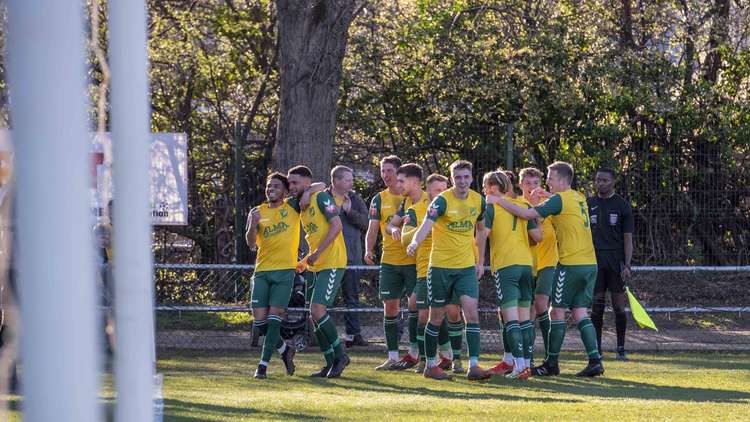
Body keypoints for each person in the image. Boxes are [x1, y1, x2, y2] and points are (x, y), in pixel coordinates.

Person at [487, 161, 603, 377]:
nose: (547, 183)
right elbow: (562, 206)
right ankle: (595, 360)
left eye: (549, 178)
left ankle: (551, 363)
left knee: (555, 311)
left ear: (560, 180)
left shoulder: (559, 199)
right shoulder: (578, 197)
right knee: (579, 312)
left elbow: (529, 215)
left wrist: (499, 201)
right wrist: (547, 197)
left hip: (570, 263)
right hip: (590, 263)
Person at [406, 160, 491, 381]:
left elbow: (481, 231)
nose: (462, 181)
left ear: (471, 177)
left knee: (471, 314)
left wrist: (480, 261)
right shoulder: (442, 201)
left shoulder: (479, 201)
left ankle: (473, 366)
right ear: (452, 179)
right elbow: (426, 224)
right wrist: (415, 243)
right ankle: (431, 365)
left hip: (465, 267)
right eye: (457, 177)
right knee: (436, 316)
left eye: (465, 177)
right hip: (440, 267)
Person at [287, 165, 350, 378]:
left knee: (318, 309)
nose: (291, 186)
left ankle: (341, 355)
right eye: (289, 183)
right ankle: (330, 362)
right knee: (314, 316)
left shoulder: (321, 198)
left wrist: (316, 252)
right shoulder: (298, 203)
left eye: (295, 182)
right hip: (314, 264)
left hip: (331, 261)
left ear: (306, 183)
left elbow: (337, 226)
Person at [478, 171, 542, 380]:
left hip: (506, 265)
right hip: (526, 265)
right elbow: (537, 236)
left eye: (486, 187)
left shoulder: (492, 207)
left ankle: (519, 366)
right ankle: (525, 365)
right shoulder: (523, 206)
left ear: (493, 188)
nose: (484, 191)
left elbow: (483, 235)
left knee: (510, 318)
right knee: (525, 320)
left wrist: (479, 261)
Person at [400, 173, 459, 374]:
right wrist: (422, 230)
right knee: (424, 313)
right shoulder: (416, 210)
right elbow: (404, 239)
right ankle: (428, 359)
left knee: (450, 313)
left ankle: (450, 356)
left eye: (444, 189)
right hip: (426, 269)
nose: (441, 194)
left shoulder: (454, 208)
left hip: (452, 268)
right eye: (437, 190)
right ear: (429, 191)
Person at [365, 155, 418, 371]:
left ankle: (416, 353)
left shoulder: (413, 198)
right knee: (390, 307)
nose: (385, 175)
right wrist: (368, 249)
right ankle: (393, 356)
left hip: (415, 260)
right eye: (382, 170)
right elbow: (373, 227)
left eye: (389, 171)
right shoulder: (379, 198)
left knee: (417, 306)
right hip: (390, 260)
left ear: (400, 174)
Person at [245, 173, 298, 379]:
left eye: (276, 186)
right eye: (268, 186)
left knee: (274, 320)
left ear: (285, 191)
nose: (270, 189)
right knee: (260, 323)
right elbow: (250, 243)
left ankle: (262, 366)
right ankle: (285, 350)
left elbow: (318, 186)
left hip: (285, 271)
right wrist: (252, 224)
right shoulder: (257, 211)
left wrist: (297, 188)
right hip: (262, 271)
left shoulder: (293, 207)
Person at [588, 168, 634, 360]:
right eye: (598, 180)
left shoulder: (622, 205)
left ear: (613, 181)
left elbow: (628, 238)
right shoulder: (588, 204)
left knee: (618, 307)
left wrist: (627, 265)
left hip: (616, 261)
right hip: (595, 260)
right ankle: (596, 350)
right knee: (596, 306)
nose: (601, 183)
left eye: (605, 180)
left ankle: (621, 349)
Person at [324, 166, 370, 347]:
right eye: (348, 180)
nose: (351, 183)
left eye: (351, 180)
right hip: (328, 256)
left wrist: (350, 212)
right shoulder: (323, 197)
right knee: (324, 299)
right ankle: (322, 334)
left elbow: (366, 223)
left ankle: (354, 335)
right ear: (336, 180)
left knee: (351, 297)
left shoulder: (355, 200)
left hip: (351, 257)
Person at [519, 167, 559, 366]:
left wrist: (549, 195)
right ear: (521, 185)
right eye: (528, 183)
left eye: (536, 183)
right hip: (528, 262)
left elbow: (568, 207)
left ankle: (550, 355)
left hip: (548, 261)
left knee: (541, 302)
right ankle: (529, 357)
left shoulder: (550, 204)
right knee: (529, 310)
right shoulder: (519, 206)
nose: (532, 187)